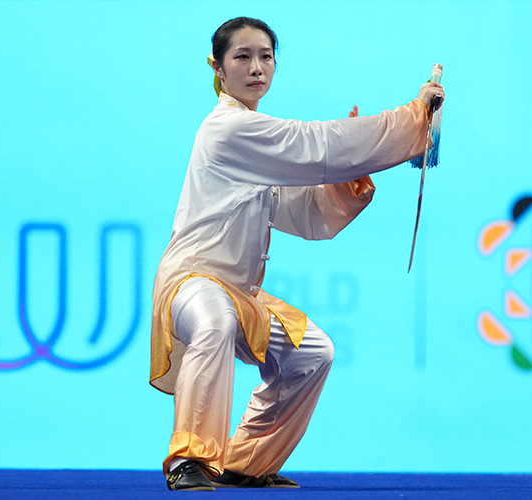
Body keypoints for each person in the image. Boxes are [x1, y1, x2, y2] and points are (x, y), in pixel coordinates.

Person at [149, 16, 444, 491]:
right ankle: (191, 460)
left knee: (312, 353)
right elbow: (318, 145)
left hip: (239, 294)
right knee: (215, 319)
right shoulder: (228, 128)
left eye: (266, 57)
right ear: (218, 68)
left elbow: (306, 213)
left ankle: (245, 462)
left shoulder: (256, 144)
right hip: (192, 283)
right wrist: (413, 117)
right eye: (242, 57)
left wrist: (351, 172)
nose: (256, 67)